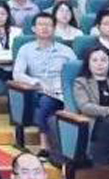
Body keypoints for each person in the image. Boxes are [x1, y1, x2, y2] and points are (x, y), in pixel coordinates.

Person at [10, 12, 68, 153]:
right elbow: (17, 74)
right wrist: (35, 82)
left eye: (48, 25)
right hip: (38, 91)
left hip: (62, 92)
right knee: (45, 102)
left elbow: (75, 73)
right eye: (41, 24)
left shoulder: (66, 51)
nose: (44, 28)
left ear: (54, 28)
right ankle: (44, 145)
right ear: (33, 29)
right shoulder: (25, 49)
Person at [70, 45, 109, 166]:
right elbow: (85, 106)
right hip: (95, 122)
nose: (99, 64)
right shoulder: (81, 82)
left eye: (103, 60)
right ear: (88, 63)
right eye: (95, 60)